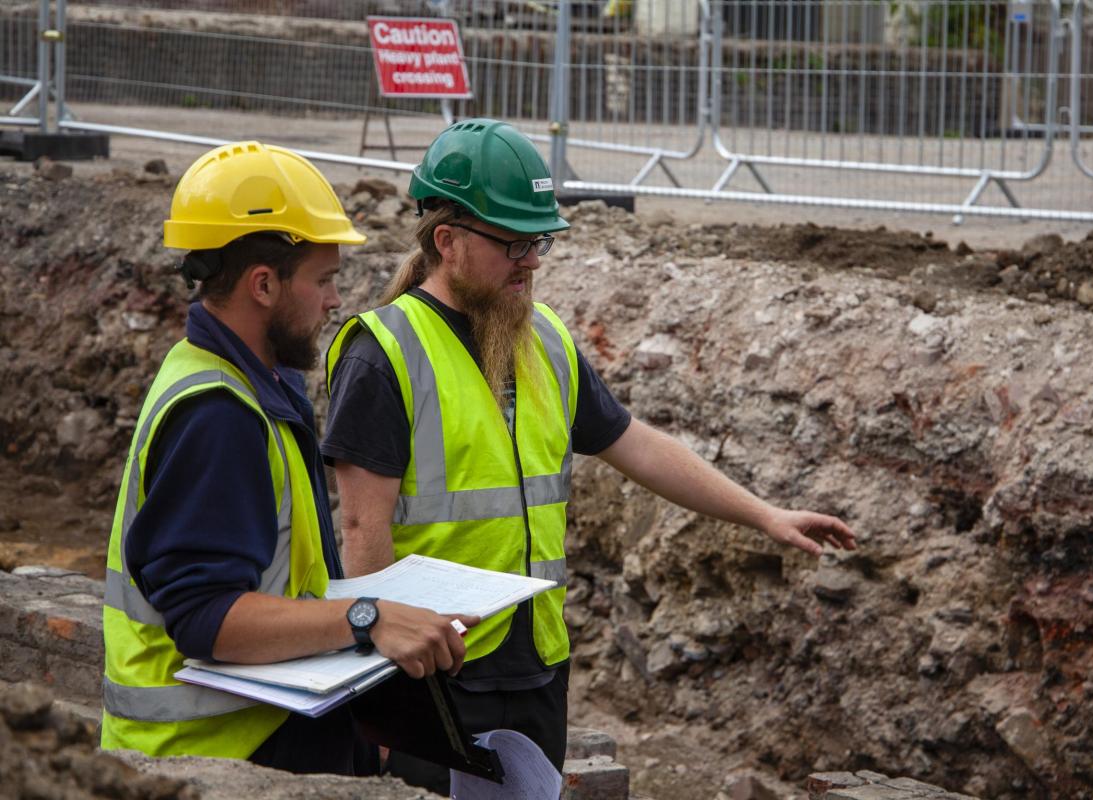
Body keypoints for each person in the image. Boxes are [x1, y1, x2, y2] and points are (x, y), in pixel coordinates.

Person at [321, 118, 856, 791]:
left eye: (539, 241)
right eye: (514, 242)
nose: (534, 261)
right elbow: (362, 533)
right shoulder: (383, 353)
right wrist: (378, 685)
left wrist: (764, 515)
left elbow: (636, 444)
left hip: (537, 664)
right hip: (435, 674)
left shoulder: (540, 337)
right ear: (447, 240)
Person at [100, 140, 478, 774]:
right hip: (216, 752)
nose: (336, 301)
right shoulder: (218, 415)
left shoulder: (238, 379)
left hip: (262, 720)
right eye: (324, 280)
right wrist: (367, 618)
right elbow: (205, 618)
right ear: (265, 284)